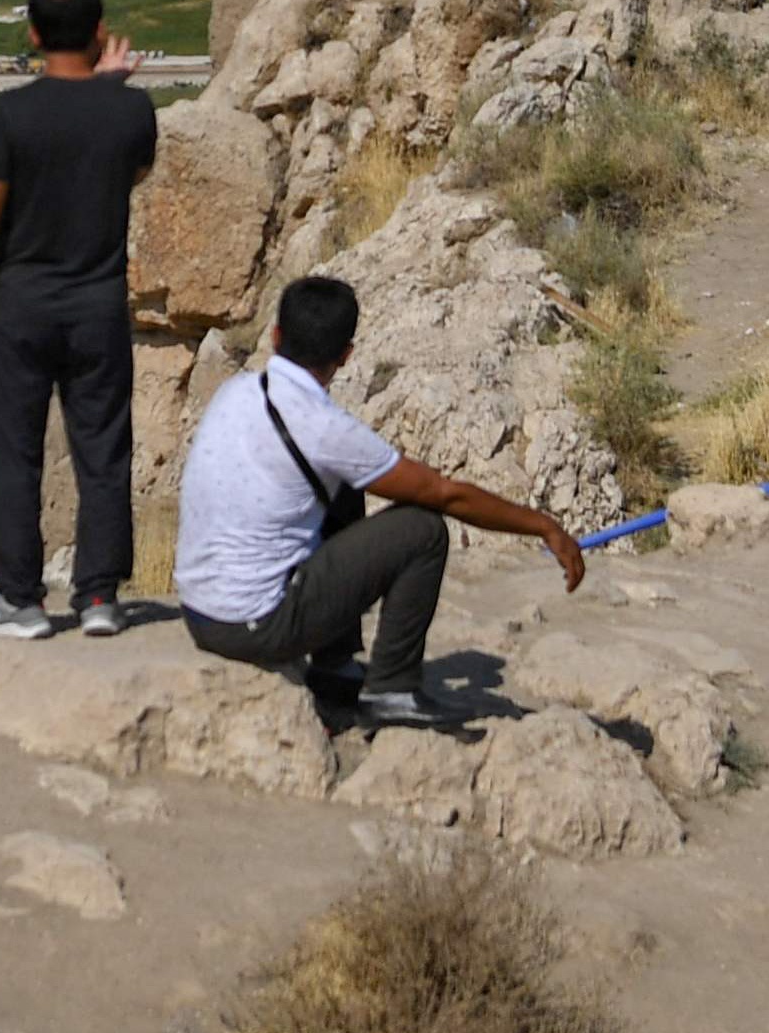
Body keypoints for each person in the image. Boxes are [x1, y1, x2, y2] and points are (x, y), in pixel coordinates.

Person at [172, 272, 583, 721]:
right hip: (256, 626)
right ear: (346, 356)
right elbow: (444, 494)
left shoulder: (236, 391)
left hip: (199, 612)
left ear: (275, 336)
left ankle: (336, 665)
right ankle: (393, 689)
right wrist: (543, 525)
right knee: (422, 530)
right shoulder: (324, 426)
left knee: (345, 485)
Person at [0, 0, 159, 639]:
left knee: (15, 453)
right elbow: (131, 170)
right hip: (97, 309)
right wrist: (111, 89)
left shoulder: (10, 114)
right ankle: (98, 599)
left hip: (22, 308)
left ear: (32, 35)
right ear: (98, 32)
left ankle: (20, 600)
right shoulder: (133, 109)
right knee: (104, 452)